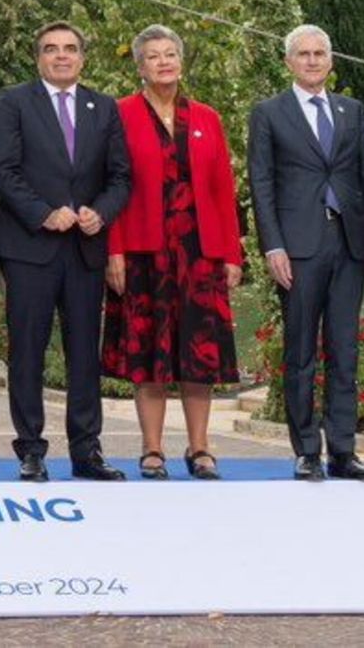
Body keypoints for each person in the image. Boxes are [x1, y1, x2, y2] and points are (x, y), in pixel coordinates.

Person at [0, 21, 131, 482]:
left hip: (85, 249)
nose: (62, 56)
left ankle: (86, 450)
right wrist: (43, 212)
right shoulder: (14, 103)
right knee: (27, 351)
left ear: (82, 57)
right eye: (51, 49)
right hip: (30, 247)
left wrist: (101, 213)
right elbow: (2, 170)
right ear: (39, 58)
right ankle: (31, 450)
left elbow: (121, 177)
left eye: (70, 49)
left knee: (84, 354)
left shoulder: (103, 107)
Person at [103, 26, 243, 481]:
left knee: (198, 355)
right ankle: (152, 449)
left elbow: (223, 189)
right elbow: (113, 186)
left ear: (181, 63)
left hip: (199, 253)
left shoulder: (206, 117)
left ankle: (200, 448)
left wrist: (231, 253)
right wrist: (115, 250)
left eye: (170, 55)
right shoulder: (119, 114)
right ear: (139, 67)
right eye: (153, 57)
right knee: (150, 354)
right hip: (143, 252)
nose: (163, 62)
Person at [249, 24, 364, 482]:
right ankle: (306, 451)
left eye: (320, 54)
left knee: (344, 349)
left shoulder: (354, 111)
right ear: (289, 62)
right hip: (296, 248)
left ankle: (342, 449)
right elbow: (261, 183)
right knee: (300, 351)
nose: (313, 61)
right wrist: (272, 244)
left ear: (331, 62)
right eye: (304, 54)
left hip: (350, 245)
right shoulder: (270, 113)